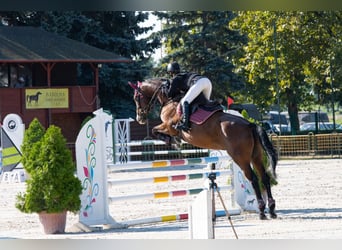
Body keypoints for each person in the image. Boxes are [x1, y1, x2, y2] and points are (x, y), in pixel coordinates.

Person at [166, 62, 212, 132]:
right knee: (205, 104)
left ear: (171, 71)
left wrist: (167, 86)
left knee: (185, 101)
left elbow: (169, 94)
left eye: (170, 73)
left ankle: (185, 124)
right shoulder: (184, 75)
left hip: (199, 83)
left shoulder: (176, 78)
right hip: (207, 82)